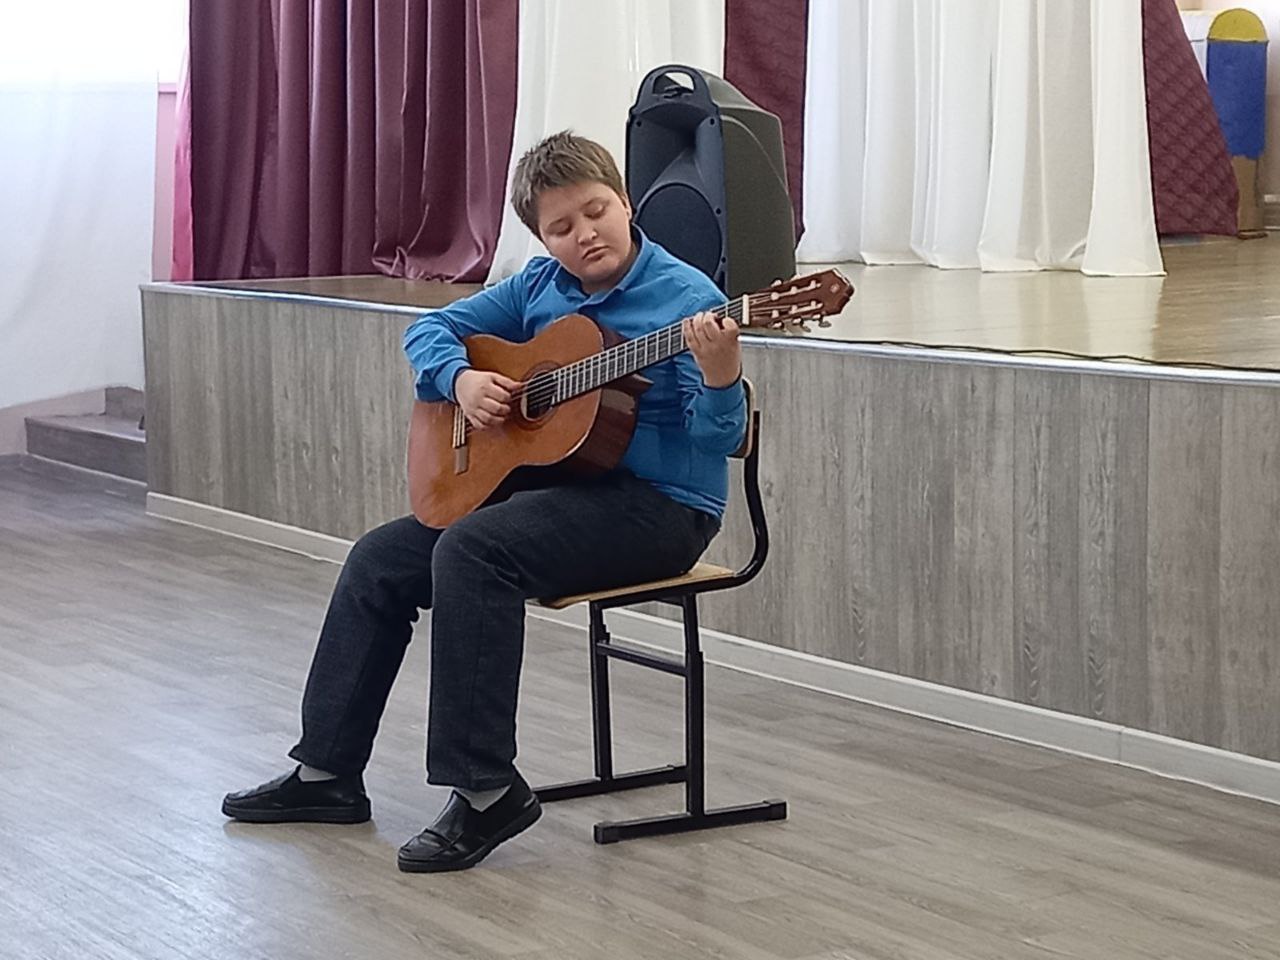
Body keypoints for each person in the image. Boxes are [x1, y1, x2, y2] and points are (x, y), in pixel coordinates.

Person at [222, 130, 746, 873]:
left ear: (626, 202)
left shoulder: (689, 300)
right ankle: (326, 773)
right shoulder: (538, 287)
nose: (585, 234)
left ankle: (485, 789)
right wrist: (460, 380)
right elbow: (430, 328)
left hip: (663, 508)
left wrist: (721, 376)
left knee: (474, 550)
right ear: (542, 238)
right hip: (565, 490)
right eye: (561, 227)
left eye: (596, 211)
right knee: (380, 558)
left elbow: (717, 440)